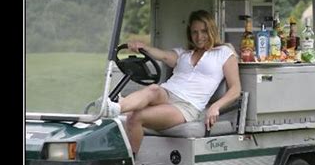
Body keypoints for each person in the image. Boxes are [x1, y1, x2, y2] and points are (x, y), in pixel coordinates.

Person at [99, 9, 241, 154]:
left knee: (135, 117)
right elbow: (163, 56)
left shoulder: (224, 53)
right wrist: (143, 47)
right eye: (194, 32)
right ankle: (112, 107)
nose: (199, 37)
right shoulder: (184, 53)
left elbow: (235, 89)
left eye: (203, 31)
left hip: (186, 106)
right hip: (167, 93)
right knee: (153, 88)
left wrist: (215, 106)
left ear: (211, 31)